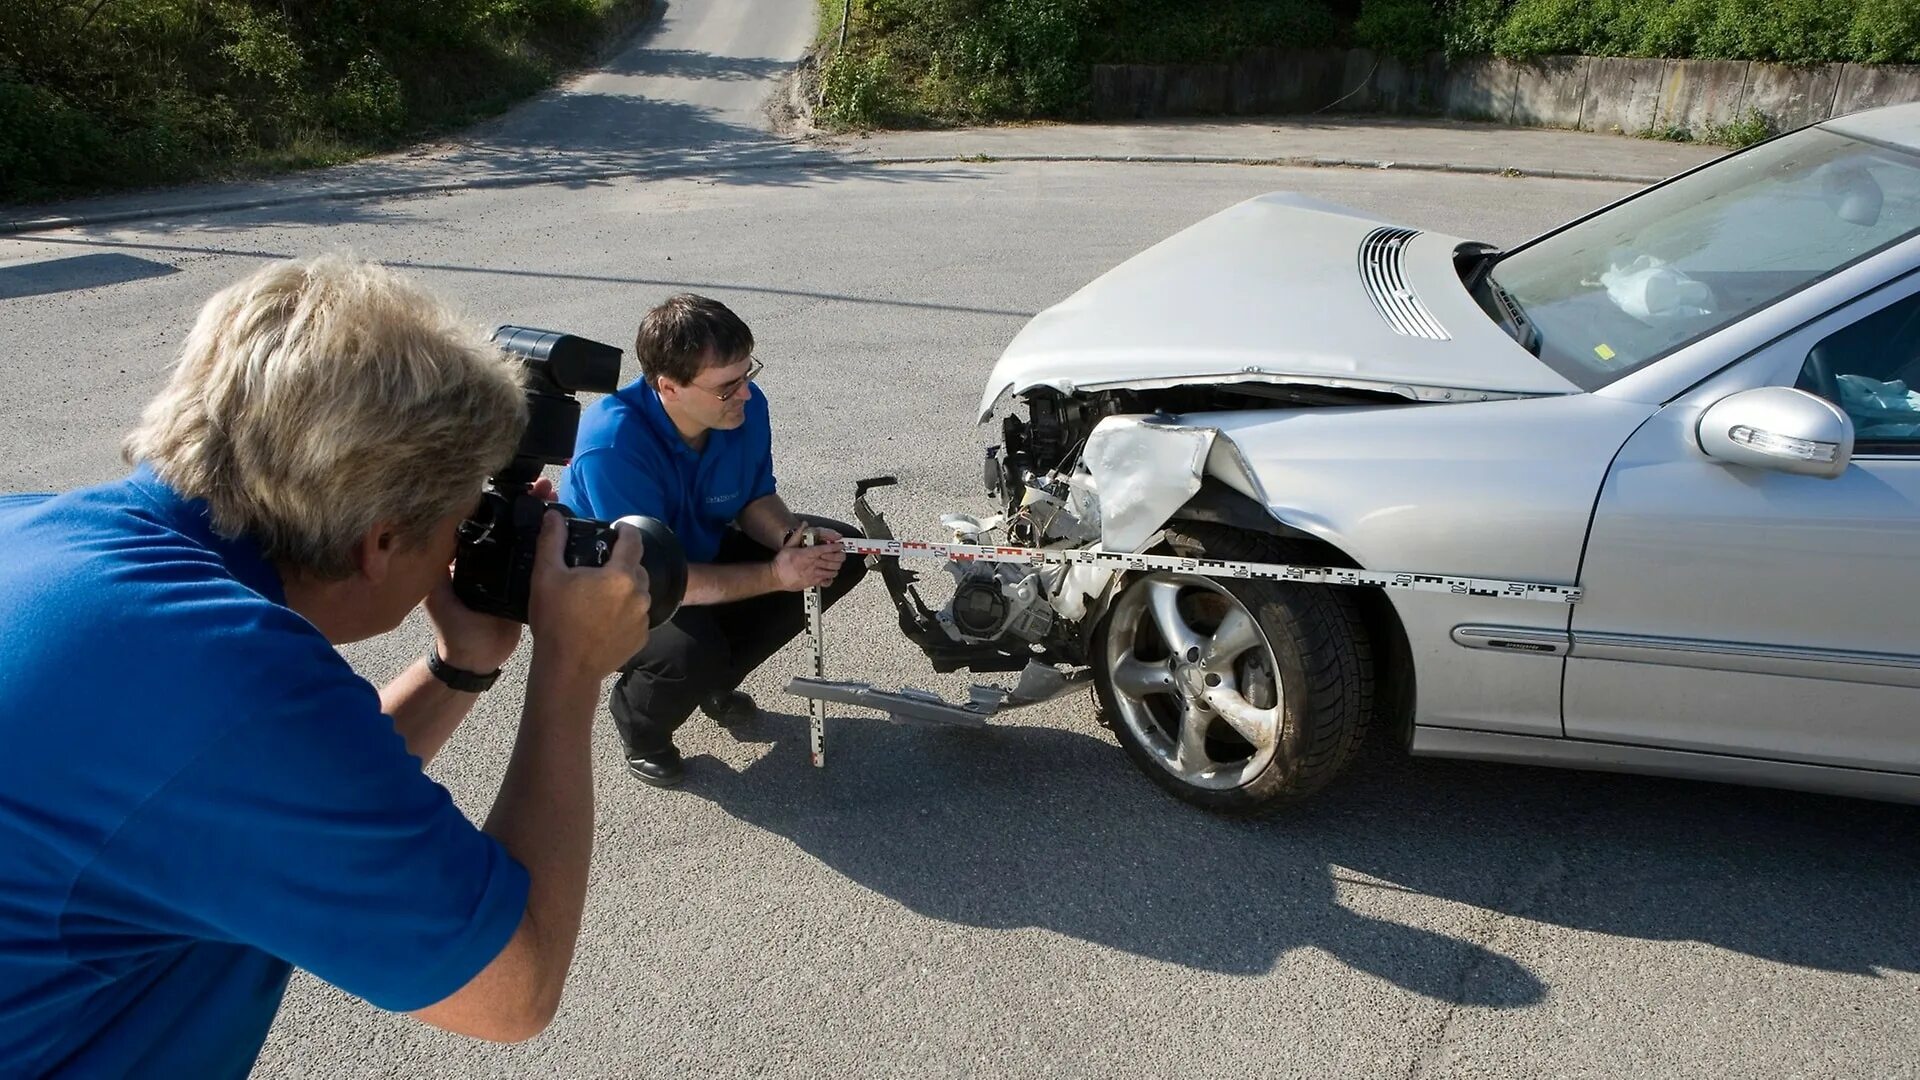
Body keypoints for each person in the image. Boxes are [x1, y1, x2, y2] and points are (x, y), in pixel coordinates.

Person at [0, 255, 656, 1077]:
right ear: (379, 541)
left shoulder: (34, 532)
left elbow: (260, 801)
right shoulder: (231, 676)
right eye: (462, 522)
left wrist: (462, 666)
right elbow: (512, 989)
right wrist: (572, 670)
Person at [559, 294, 865, 787]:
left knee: (838, 555)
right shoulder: (612, 443)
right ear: (668, 388)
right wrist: (773, 575)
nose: (745, 393)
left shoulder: (740, 410)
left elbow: (753, 498)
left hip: (692, 553)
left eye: (748, 374)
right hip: (612, 587)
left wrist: (792, 539)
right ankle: (642, 726)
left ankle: (715, 680)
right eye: (727, 386)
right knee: (687, 653)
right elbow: (664, 584)